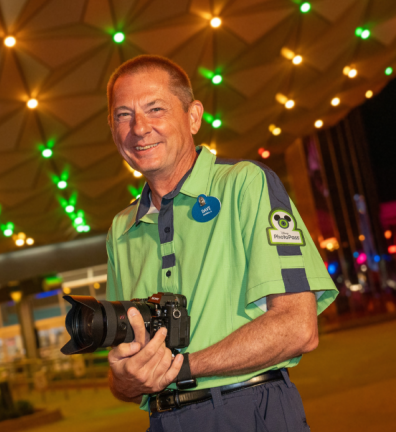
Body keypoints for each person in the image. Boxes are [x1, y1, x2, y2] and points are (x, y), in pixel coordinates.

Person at [104, 55, 338, 432]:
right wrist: (127, 379)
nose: (139, 128)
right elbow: (123, 376)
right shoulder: (121, 229)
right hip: (162, 421)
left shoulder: (244, 184)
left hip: (248, 409)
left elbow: (298, 326)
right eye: (122, 115)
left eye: (155, 109)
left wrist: (181, 367)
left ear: (193, 117)